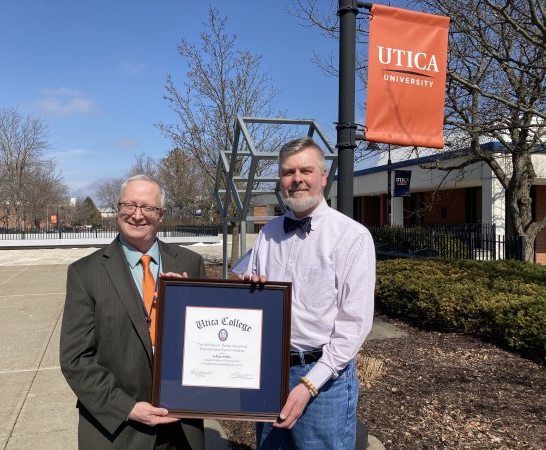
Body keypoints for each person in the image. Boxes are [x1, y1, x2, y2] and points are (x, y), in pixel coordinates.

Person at [241, 137, 375, 449]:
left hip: (324, 380)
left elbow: (354, 324)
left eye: (306, 170)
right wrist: (246, 289)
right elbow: (251, 293)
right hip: (269, 373)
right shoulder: (267, 233)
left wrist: (309, 385)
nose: (297, 179)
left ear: (323, 177)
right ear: (280, 181)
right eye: (288, 172)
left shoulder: (352, 237)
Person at [60, 174, 206, 449]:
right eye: (129, 205)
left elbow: (207, 340)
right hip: (118, 429)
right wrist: (126, 408)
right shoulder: (85, 273)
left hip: (182, 428)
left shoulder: (190, 263)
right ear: (118, 209)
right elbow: (75, 359)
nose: (137, 215)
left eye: (147, 208)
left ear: (161, 214)